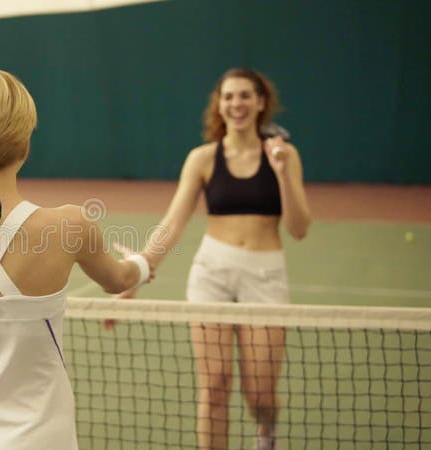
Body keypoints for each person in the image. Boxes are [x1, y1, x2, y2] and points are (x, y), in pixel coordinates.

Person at [0, 68, 152, 450]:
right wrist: (142, 264)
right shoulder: (70, 224)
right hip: (42, 437)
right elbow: (120, 279)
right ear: (23, 139)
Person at [110, 68, 311, 450]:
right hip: (211, 273)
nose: (237, 104)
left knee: (261, 396)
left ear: (261, 102)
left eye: (245, 96)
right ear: (219, 105)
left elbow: (299, 229)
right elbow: (172, 224)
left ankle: (265, 435)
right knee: (215, 385)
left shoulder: (285, 156)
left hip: (265, 275)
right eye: (229, 96)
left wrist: (283, 173)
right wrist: (133, 277)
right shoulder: (202, 159)